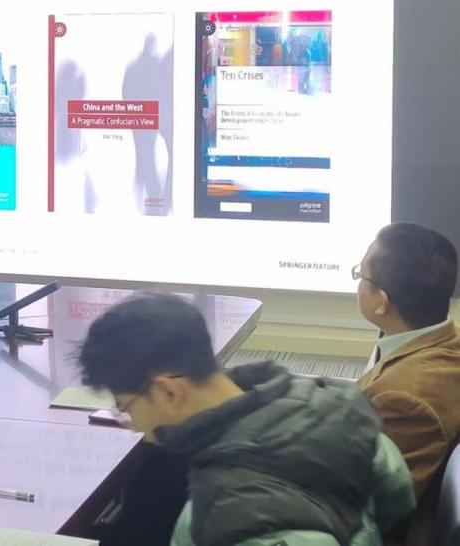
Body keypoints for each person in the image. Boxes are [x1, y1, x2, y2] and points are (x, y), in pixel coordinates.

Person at [78, 294, 414, 546]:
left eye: (126, 408)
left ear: (169, 391)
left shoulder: (229, 513)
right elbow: (397, 497)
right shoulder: (334, 406)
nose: (133, 425)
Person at [355, 222, 460, 546]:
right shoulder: (444, 342)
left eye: (361, 275)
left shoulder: (405, 400)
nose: (358, 283)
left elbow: (368, 504)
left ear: (381, 302)